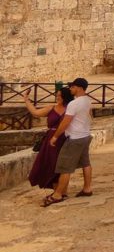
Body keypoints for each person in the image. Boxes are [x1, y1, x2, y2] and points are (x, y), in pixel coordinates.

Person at [43, 77, 93, 207]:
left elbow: (66, 122)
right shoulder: (88, 101)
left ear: (79, 88)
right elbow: (90, 116)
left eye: (72, 87)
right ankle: (87, 188)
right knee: (86, 163)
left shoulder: (73, 104)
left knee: (65, 167)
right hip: (85, 136)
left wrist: (55, 136)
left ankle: (58, 194)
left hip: (74, 138)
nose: (70, 89)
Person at [24, 83, 74, 193]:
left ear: (66, 96)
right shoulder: (51, 108)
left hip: (65, 139)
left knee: (63, 166)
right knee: (51, 165)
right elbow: (35, 113)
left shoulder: (71, 108)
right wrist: (26, 100)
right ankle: (58, 191)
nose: (58, 97)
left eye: (60, 95)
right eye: (57, 95)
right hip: (51, 140)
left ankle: (61, 191)